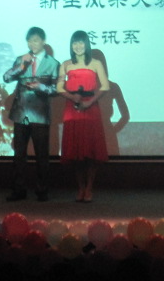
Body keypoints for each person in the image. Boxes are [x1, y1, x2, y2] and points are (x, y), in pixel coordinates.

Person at [3, 27, 59, 202]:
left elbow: (57, 89)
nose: (32, 44)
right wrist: (21, 66)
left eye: (35, 40)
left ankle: (42, 191)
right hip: (21, 113)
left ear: (43, 41)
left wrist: (40, 87)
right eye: (29, 41)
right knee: (19, 155)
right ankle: (18, 190)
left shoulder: (53, 63)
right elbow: (6, 78)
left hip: (40, 114)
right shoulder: (22, 59)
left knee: (41, 155)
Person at [57, 30, 110, 202]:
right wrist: (72, 97)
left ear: (87, 44)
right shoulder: (66, 65)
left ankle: (89, 188)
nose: (78, 46)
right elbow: (59, 87)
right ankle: (80, 188)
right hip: (72, 108)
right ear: (71, 45)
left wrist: (90, 102)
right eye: (75, 43)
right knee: (76, 152)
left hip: (91, 108)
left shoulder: (95, 64)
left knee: (90, 152)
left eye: (81, 43)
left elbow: (105, 86)